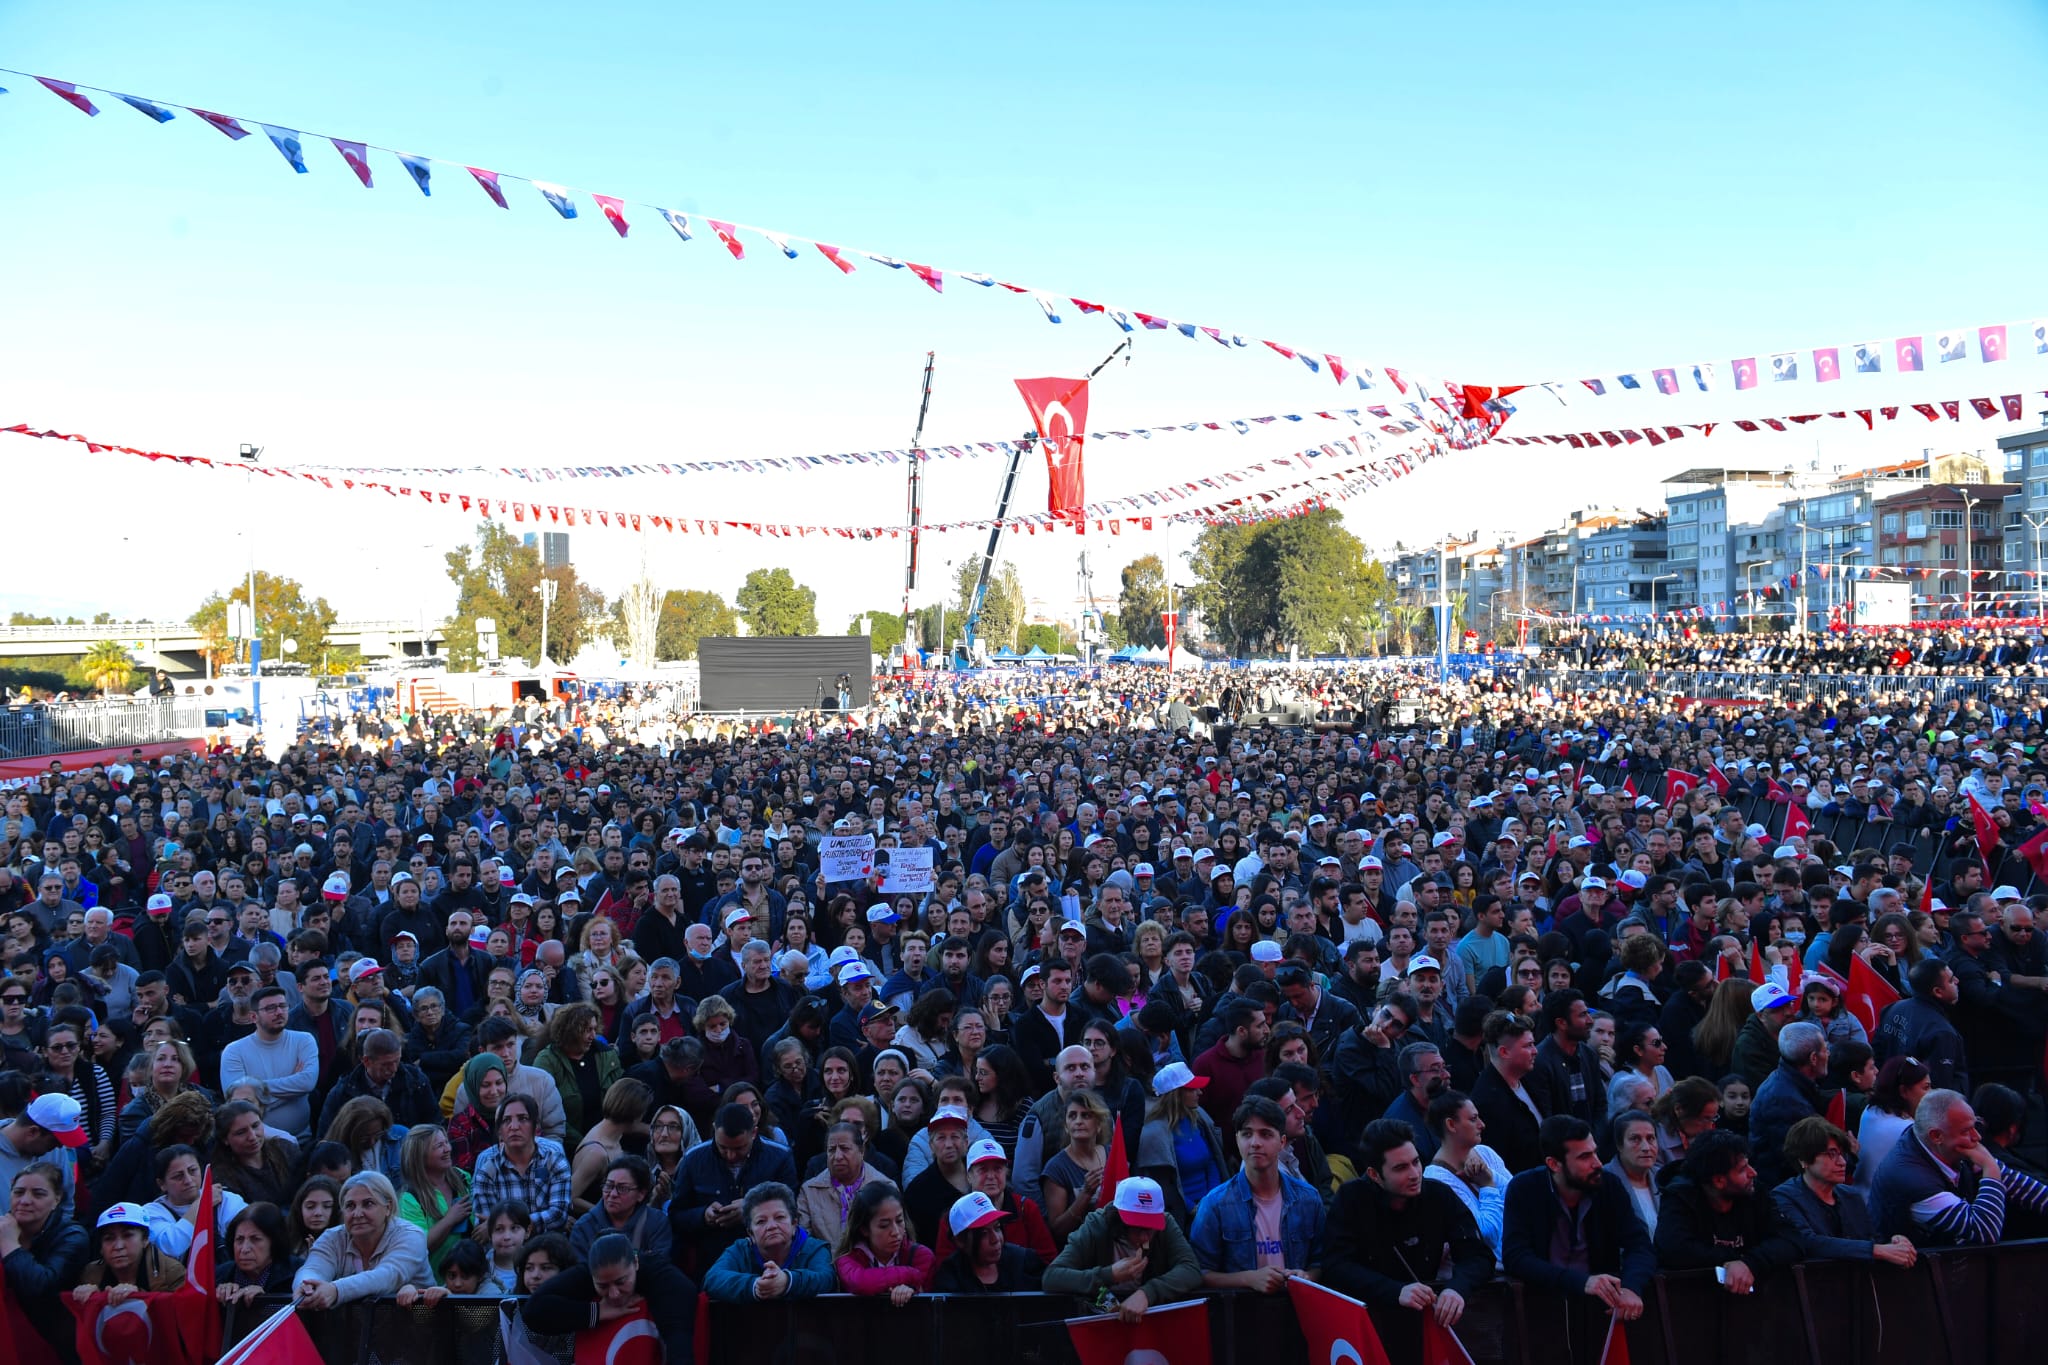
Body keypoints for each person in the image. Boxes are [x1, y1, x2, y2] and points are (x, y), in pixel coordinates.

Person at [1871, 1088, 2048, 1244]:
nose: (1977, 1136)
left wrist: (1992, 1168)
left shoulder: (1952, 1148)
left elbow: (2029, 1191)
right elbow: (1984, 1230)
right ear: (1936, 1136)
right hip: (1910, 1277)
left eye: (1975, 1126)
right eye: (1966, 1131)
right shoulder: (1911, 1177)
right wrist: (1990, 1168)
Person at [1189, 1095, 1325, 1291]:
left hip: (1296, 1310)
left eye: (1266, 1134)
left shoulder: (1309, 1199)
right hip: (1242, 1315)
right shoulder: (1215, 1204)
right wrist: (1248, 1279)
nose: (1255, 1143)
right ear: (1237, 1140)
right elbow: (1198, 1273)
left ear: (1282, 1141)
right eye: (1246, 1134)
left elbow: (1320, 1262)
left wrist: (1306, 1277)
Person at [1653, 1131, 1800, 1292]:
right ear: (1718, 1181)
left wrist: (1750, 1263)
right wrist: (1732, 1260)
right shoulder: (1679, 1198)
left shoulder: (1755, 1192)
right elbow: (1674, 1250)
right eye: (1743, 1169)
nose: (1753, 1173)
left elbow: (1791, 1238)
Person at [1043, 1175, 1202, 1322]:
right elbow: (1052, 1276)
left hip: (1153, 1324)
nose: (1144, 1237)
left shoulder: (1166, 1225)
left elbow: (1191, 1269)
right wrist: (1109, 1275)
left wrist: (1147, 1293)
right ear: (1119, 1219)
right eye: (1137, 1228)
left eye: (1151, 1228)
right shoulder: (1096, 1226)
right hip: (1100, 1323)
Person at [521, 1232, 700, 1362]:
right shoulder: (585, 1273)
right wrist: (595, 1312)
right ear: (591, 1275)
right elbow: (534, 1311)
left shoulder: (664, 1278)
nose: (614, 1294)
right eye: (603, 1286)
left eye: (621, 1282)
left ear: (636, 1263)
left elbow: (679, 1339)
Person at [1770, 1116, 1917, 1265]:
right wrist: (1876, 1250)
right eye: (1831, 1154)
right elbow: (1808, 1242)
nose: (1842, 1162)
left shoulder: (1851, 1196)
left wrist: (1893, 1243)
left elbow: (1873, 1239)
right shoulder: (1783, 1198)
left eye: (1841, 1154)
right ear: (1804, 1159)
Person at [671, 1102, 800, 1272]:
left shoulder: (779, 1157)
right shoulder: (693, 1159)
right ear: (714, 1129)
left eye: (739, 1148)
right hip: (711, 1262)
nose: (731, 1155)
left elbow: (792, 1209)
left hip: (767, 1261)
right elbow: (676, 1215)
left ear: (754, 1133)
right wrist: (703, 1215)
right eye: (723, 1147)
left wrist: (751, 1209)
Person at [292, 1171, 430, 1307]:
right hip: (357, 1326)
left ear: (388, 1207)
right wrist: (307, 1287)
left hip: (420, 1320)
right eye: (350, 1206)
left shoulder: (411, 1235)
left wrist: (336, 1290)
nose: (357, 1214)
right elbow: (312, 1268)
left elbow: (387, 1276)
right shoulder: (332, 1237)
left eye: (368, 1204)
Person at [0, 1162, 89, 1360]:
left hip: (55, 1345)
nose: (25, 1200)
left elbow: (40, 1286)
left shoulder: (72, 1236)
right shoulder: (3, 1227)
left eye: (38, 1194)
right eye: (18, 1192)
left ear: (57, 1199)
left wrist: (9, 1245)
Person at [701, 1181, 836, 1301]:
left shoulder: (815, 1249)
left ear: (794, 1223)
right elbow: (712, 1279)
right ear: (750, 1233)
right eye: (761, 1221)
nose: (771, 1226)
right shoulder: (740, 1249)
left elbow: (827, 1279)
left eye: (779, 1217)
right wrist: (756, 1285)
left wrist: (787, 1281)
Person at [1136, 1060, 1228, 1222]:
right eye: (1192, 1089)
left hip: (1211, 1205)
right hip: (1182, 1216)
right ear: (1176, 1094)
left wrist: (1211, 1199)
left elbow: (1212, 1161)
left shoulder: (1198, 1119)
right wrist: (1192, 1208)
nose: (1200, 1092)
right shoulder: (1154, 1134)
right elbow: (1164, 1186)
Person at [471, 1093, 574, 1236]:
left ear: (535, 1125)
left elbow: (558, 1215)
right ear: (499, 1130)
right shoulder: (487, 1170)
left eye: (523, 1119)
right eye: (506, 1120)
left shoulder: (554, 1160)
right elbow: (484, 1229)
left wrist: (501, 1224)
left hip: (548, 1246)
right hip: (505, 1251)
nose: (514, 1127)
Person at [1423, 1089, 1510, 1259]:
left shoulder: (1485, 1153)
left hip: (1518, 1254)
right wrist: (1487, 1186)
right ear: (1451, 1125)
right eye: (1473, 1119)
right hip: (1492, 1275)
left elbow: (1519, 1198)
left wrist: (1489, 1174)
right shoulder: (1437, 1179)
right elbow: (1485, 1235)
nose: (1482, 1125)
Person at [1748, 1020, 1829, 1190]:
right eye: (1825, 1049)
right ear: (1813, 1058)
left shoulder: (1787, 1080)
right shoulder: (1786, 1101)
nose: (1828, 1053)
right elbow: (1801, 1158)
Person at [833, 1180, 936, 1304]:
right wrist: (911, 1274)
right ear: (864, 1229)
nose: (896, 1232)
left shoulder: (921, 1256)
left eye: (899, 1221)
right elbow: (861, 1283)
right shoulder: (847, 1259)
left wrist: (910, 1291)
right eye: (884, 1225)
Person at [1470, 1010, 1544, 1173]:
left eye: (1533, 1044)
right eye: (1528, 1045)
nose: (1535, 1051)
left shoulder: (1530, 1078)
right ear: (1504, 1052)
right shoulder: (1488, 1102)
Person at [395, 1124, 473, 1279]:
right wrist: (450, 1219)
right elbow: (419, 1248)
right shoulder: (410, 1198)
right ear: (420, 1155)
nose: (448, 1149)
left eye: (446, 1142)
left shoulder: (462, 1178)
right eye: (439, 1146)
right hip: (433, 1285)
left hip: (470, 1278)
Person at [796, 1121, 887, 1251]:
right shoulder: (809, 1191)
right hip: (826, 1268)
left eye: (845, 1149)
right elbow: (805, 1246)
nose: (837, 1156)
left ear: (861, 1151)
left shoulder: (884, 1188)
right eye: (831, 1150)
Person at [934, 1189, 1044, 1292]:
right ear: (960, 1241)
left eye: (997, 1228)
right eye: (983, 1233)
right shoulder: (950, 1275)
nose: (995, 1239)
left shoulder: (1024, 1262)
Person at [569, 1154, 673, 1263]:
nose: (613, 1194)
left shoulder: (656, 1222)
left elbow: (660, 1266)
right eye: (608, 1186)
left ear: (641, 1194)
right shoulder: (584, 1226)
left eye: (622, 1188)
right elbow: (579, 1272)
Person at [216, 1202, 298, 1302]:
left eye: (255, 1239)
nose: (244, 1249)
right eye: (239, 1239)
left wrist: (265, 1299)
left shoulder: (298, 1274)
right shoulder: (218, 1277)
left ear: (275, 1242)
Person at [1604, 1109, 1663, 1237]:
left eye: (1651, 1138)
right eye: (1635, 1139)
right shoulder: (1603, 1182)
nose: (1646, 1147)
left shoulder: (1664, 1179)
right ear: (1619, 1145)